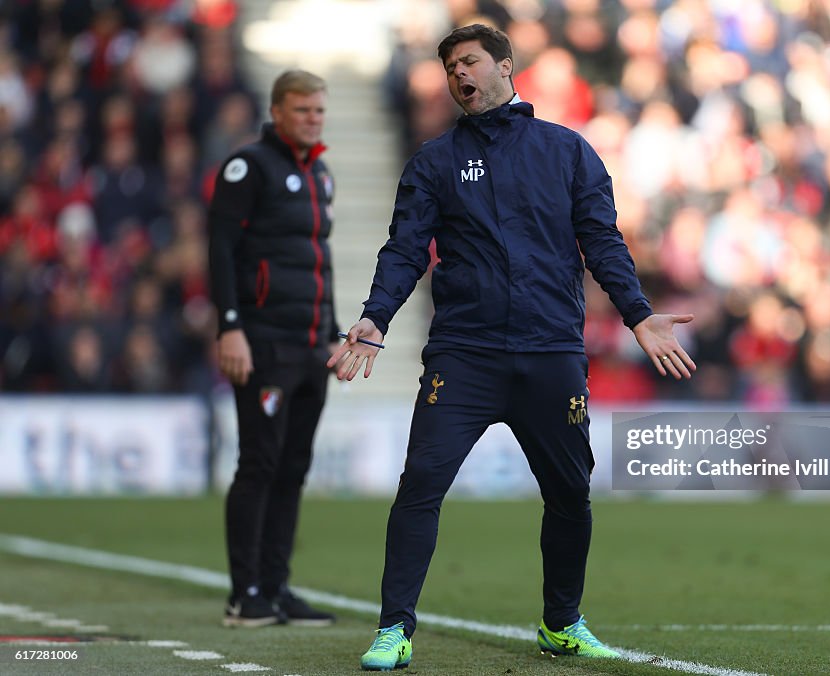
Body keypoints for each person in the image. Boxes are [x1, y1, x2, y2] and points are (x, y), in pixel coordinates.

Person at [329, 24, 696, 670]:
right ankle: (394, 629)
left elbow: (603, 244)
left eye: (468, 61)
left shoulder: (568, 152)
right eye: (448, 68)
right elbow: (406, 249)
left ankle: (562, 623)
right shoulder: (434, 162)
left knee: (570, 493)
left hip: (551, 351)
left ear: (505, 65)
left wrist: (639, 315)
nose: (457, 75)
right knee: (421, 485)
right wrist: (375, 318)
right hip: (465, 355)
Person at [208, 69, 339, 628]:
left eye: (319, 110)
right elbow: (220, 249)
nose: (313, 119)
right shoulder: (248, 167)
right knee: (259, 463)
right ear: (278, 111)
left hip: (311, 345)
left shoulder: (321, 175)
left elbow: (317, 263)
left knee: (293, 468)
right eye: (303, 110)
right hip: (263, 342)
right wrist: (229, 326)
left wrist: (331, 331)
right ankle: (245, 594)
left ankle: (277, 587)